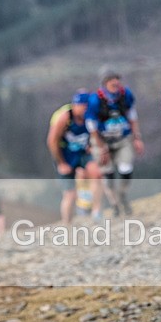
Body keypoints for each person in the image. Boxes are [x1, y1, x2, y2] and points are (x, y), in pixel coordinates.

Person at [86, 72, 145, 216]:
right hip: (102, 140)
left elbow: (132, 117)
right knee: (108, 174)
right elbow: (92, 127)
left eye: (117, 83)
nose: (116, 86)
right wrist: (102, 148)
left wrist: (137, 138)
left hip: (122, 139)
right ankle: (114, 204)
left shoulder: (126, 95)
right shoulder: (95, 100)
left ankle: (122, 195)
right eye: (112, 84)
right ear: (105, 84)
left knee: (126, 168)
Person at [47, 91, 103, 224]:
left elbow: (97, 133)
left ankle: (96, 211)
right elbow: (52, 141)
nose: (82, 109)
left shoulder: (91, 117)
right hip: (65, 155)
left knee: (96, 173)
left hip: (83, 152)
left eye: (84, 106)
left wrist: (93, 146)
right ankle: (67, 223)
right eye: (79, 106)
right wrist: (61, 163)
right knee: (69, 194)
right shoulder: (65, 118)